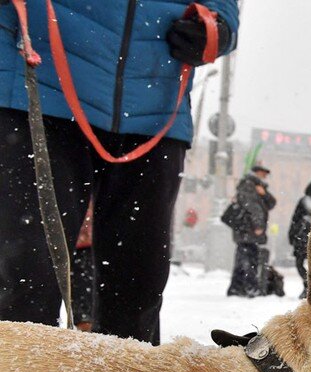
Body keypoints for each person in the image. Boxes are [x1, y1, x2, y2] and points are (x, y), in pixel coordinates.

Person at [0, 1, 239, 345]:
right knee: (26, 282)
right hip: (40, 86)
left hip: (155, 108)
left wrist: (216, 29)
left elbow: (222, 9)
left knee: (137, 293)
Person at [227, 165, 276, 297]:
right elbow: (253, 208)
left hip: (245, 230)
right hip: (248, 229)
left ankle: (236, 288)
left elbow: (272, 203)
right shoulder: (249, 185)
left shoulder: (257, 186)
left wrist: (264, 193)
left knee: (242, 259)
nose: (265, 176)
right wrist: (258, 225)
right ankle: (250, 288)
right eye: (264, 173)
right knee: (249, 260)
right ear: (257, 172)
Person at [288, 178, 311, 298]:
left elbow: (295, 219)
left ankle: (307, 286)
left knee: (300, 263)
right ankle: (310, 287)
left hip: (301, 237)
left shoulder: (304, 202)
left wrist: (291, 235)